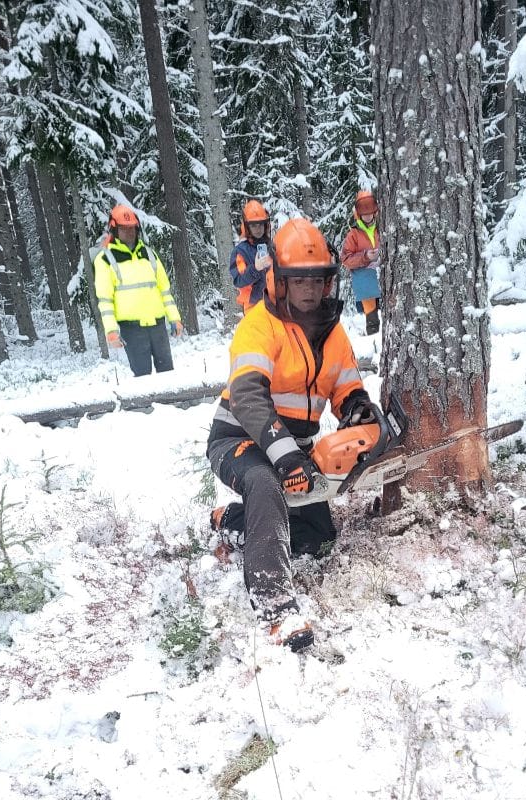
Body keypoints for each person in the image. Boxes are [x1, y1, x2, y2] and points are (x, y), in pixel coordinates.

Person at [207, 217, 374, 652]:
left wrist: (357, 409)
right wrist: (284, 456)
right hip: (239, 439)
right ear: (279, 280)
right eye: (299, 280)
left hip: (295, 448)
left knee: (317, 538)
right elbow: (247, 396)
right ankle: (274, 606)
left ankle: (232, 522)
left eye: (317, 280)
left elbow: (346, 386)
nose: (309, 290)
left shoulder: (332, 332)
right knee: (264, 483)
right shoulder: (259, 325)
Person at [94, 204, 183, 377]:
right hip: (132, 329)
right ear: (114, 230)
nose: (129, 232)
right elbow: (105, 301)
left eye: (132, 228)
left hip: (158, 325)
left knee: (168, 375)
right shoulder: (105, 260)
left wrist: (175, 318)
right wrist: (111, 330)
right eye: (124, 229)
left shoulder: (149, 254)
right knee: (142, 378)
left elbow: (164, 291)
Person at [339, 190, 382, 335]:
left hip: (384, 276)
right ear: (358, 214)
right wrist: (365, 257)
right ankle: (373, 339)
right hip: (365, 280)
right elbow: (346, 259)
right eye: (364, 213)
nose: (368, 215)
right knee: (372, 317)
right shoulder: (353, 234)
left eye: (370, 212)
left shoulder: (382, 228)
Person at [229, 199, 273, 314]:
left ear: (266, 225)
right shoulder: (240, 251)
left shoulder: (272, 247)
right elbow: (239, 280)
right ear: (247, 227)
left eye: (261, 224)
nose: (258, 229)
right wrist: (255, 269)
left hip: (274, 303)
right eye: (253, 225)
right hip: (253, 305)